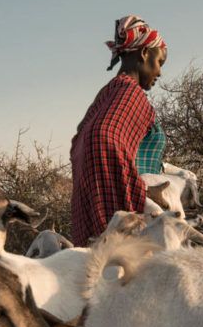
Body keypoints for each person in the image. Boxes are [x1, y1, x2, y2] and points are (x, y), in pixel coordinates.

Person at [70, 15, 167, 246]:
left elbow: (81, 140)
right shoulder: (129, 93)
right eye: (159, 63)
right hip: (135, 222)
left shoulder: (108, 93)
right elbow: (102, 139)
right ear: (144, 54)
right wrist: (141, 190)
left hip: (94, 225)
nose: (160, 73)